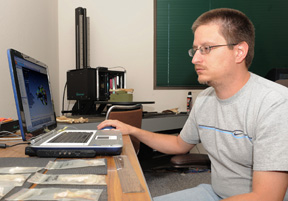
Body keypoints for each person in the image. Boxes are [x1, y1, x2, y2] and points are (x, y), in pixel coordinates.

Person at [98, 8, 288, 201]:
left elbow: (267, 197)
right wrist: (132, 130)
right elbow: (179, 144)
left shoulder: (275, 103)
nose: (195, 59)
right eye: (195, 50)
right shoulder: (205, 99)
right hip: (217, 194)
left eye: (206, 48)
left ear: (239, 52)